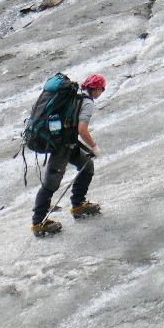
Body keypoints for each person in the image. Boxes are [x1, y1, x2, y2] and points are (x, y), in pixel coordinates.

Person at [31, 73, 105, 237]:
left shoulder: (75, 95)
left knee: (87, 167)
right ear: (97, 89)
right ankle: (38, 223)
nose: (101, 92)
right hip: (62, 146)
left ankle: (78, 205)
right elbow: (82, 130)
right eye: (102, 89)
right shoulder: (86, 102)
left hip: (67, 143)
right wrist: (93, 146)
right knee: (51, 183)